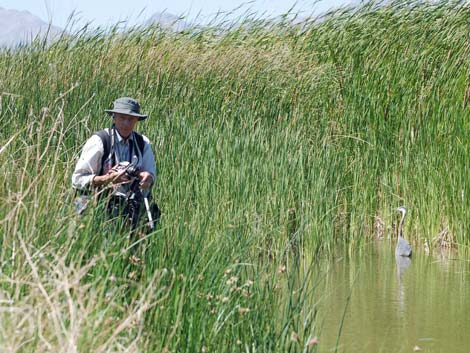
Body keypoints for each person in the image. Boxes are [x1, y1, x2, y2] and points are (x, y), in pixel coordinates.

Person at [72, 97, 158, 229]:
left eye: (131, 119)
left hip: (130, 205)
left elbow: (150, 176)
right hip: (98, 205)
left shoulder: (142, 143)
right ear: (114, 117)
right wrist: (107, 179)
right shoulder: (99, 141)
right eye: (122, 118)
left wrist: (147, 178)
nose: (126, 123)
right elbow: (77, 180)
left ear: (137, 120)